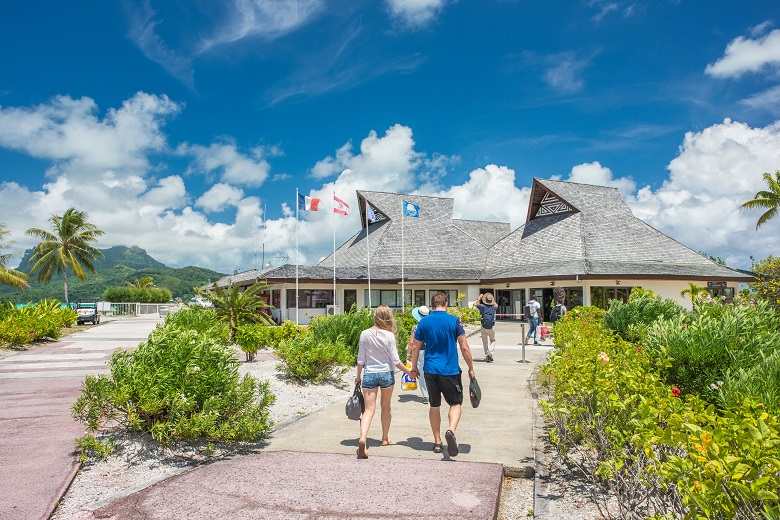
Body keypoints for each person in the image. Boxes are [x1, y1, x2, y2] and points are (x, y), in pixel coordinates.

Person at [409, 292, 476, 457]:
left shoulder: (424, 322)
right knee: (455, 403)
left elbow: (415, 347)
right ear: (446, 304)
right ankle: (450, 431)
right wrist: (470, 367)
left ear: (432, 306)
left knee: (434, 405)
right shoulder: (454, 321)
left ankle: (438, 442)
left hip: (430, 370)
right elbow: (464, 346)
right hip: (450, 370)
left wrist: (413, 368)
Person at [355, 305, 413, 459]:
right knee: (385, 407)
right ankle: (385, 438)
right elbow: (396, 361)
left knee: (368, 410)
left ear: (375, 316)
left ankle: (363, 438)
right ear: (388, 317)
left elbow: (361, 358)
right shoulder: (389, 336)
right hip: (386, 373)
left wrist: (358, 376)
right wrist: (410, 372)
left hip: (369, 373)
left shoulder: (364, 334)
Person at [406, 305, 431, 403]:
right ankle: (433, 393)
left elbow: (412, 343)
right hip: (431, 351)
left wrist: (408, 355)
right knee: (430, 372)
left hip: (420, 351)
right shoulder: (431, 325)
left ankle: (425, 396)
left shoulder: (416, 327)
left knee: (421, 373)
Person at [473, 292, 498, 362]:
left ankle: (487, 355)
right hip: (491, 327)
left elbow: (474, 304)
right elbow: (496, 305)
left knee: (485, 342)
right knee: (493, 340)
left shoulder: (482, 307)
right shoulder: (493, 307)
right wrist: (492, 300)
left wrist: (479, 298)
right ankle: (490, 352)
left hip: (484, 326)